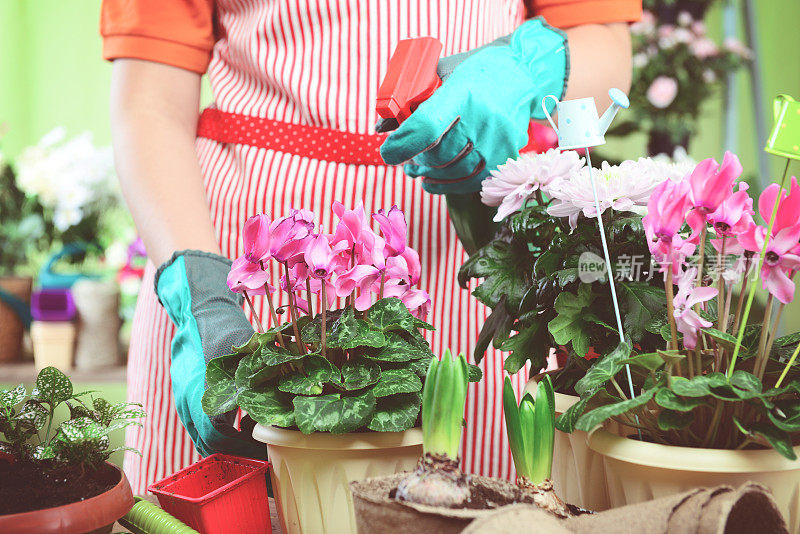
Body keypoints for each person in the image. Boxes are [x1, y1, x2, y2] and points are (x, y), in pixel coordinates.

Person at [102, 0, 640, 494]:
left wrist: (525, 68)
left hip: (462, 258)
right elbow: (148, 104)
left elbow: (605, 45)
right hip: (242, 259)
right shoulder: (216, 286)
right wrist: (202, 297)